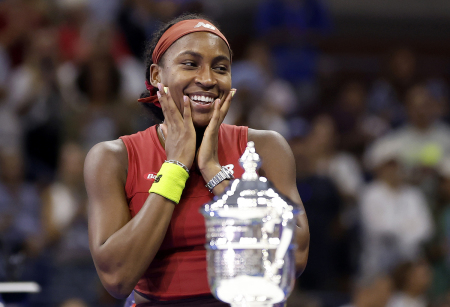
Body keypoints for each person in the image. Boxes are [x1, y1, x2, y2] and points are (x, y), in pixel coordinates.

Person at [84, 14, 310, 307]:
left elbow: (296, 255)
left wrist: (213, 172)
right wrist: (176, 167)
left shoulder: (266, 147)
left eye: (220, 68)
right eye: (190, 64)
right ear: (156, 76)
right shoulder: (113, 158)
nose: (207, 79)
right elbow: (117, 278)